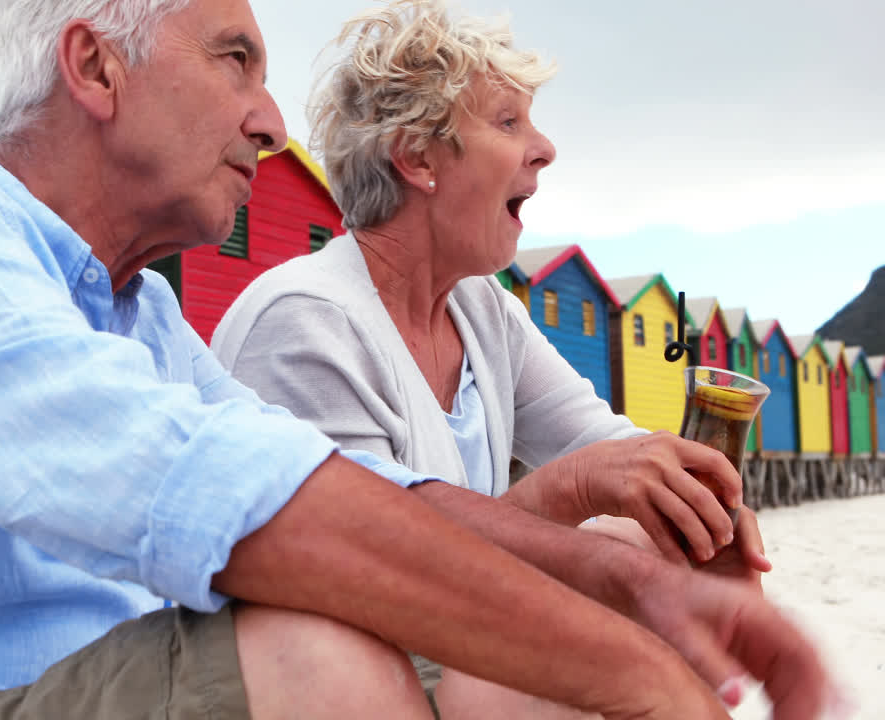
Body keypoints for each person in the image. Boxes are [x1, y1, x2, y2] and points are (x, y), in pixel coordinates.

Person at [0, 1, 835, 719]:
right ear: (94, 67)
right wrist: (620, 667)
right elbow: (250, 510)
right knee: (320, 654)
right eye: (234, 58)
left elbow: (370, 491)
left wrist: (629, 584)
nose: (269, 118)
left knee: (503, 666)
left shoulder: (134, 316)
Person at [210, 0, 793, 716]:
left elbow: (611, 448)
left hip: (443, 647)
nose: (544, 148)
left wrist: (698, 508)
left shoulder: (482, 309)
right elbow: (372, 564)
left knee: (643, 539)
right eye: (508, 122)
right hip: (344, 673)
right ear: (417, 156)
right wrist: (569, 489)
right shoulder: (305, 323)